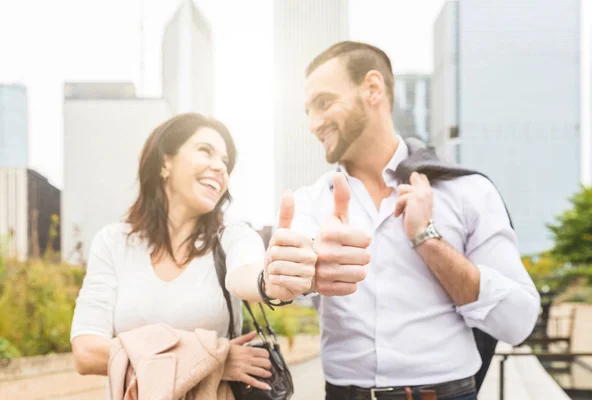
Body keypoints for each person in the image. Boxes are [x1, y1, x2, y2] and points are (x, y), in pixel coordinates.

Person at [277, 41, 541, 400]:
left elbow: (518, 322)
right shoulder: (309, 202)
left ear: (373, 89)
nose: (313, 124)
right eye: (307, 111)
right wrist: (305, 268)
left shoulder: (468, 191)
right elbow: (290, 274)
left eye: (323, 103)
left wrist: (427, 238)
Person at [70, 113, 316, 395]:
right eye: (205, 151)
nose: (220, 168)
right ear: (165, 162)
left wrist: (270, 280)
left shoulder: (232, 237)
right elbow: (86, 352)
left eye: (225, 162)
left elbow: (247, 275)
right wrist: (210, 359)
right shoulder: (113, 243)